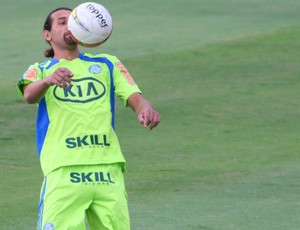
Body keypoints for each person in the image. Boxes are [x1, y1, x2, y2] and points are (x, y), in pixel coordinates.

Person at [17, 6, 160, 230]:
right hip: (64, 169)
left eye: (73, 20)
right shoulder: (40, 70)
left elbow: (136, 97)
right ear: (47, 35)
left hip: (108, 168)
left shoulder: (108, 64)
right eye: (62, 22)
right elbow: (28, 95)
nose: (69, 25)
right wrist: (48, 81)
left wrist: (144, 109)